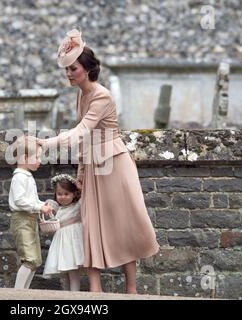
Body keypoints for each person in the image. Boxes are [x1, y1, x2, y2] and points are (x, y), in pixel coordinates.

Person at [38, 29, 159, 293]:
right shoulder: (81, 94)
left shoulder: (101, 95)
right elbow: (86, 138)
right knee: (89, 224)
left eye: (74, 69)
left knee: (122, 224)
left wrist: (47, 143)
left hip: (114, 164)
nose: (69, 74)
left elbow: (82, 131)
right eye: (67, 69)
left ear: (88, 69)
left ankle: (131, 290)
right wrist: (81, 171)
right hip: (94, 166)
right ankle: (95, 289)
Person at [8, 135, 53, 289]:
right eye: (37, 157)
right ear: (26, 157)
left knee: (35, 260)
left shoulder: (26, 176)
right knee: (29, 259)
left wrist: (41, 204)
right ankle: (18, 293)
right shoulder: (19, 177)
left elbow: (30, 199)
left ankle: (23, 292)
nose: (40, 161)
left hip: (30, 220)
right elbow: (20, 201)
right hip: (22, 221)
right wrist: (39, 207)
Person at [43, 174, 84, 291]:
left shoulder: (77, 206)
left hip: (73, 243)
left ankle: (74, 296)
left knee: (73, 272)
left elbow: (86, 195)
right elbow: (50, 215)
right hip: (61, 244)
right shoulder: (57, 208)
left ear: (74, 194)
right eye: (59, 194)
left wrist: (80, 186)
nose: (63, 197)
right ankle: (66, 295)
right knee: (65, 272)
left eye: (66, 194)